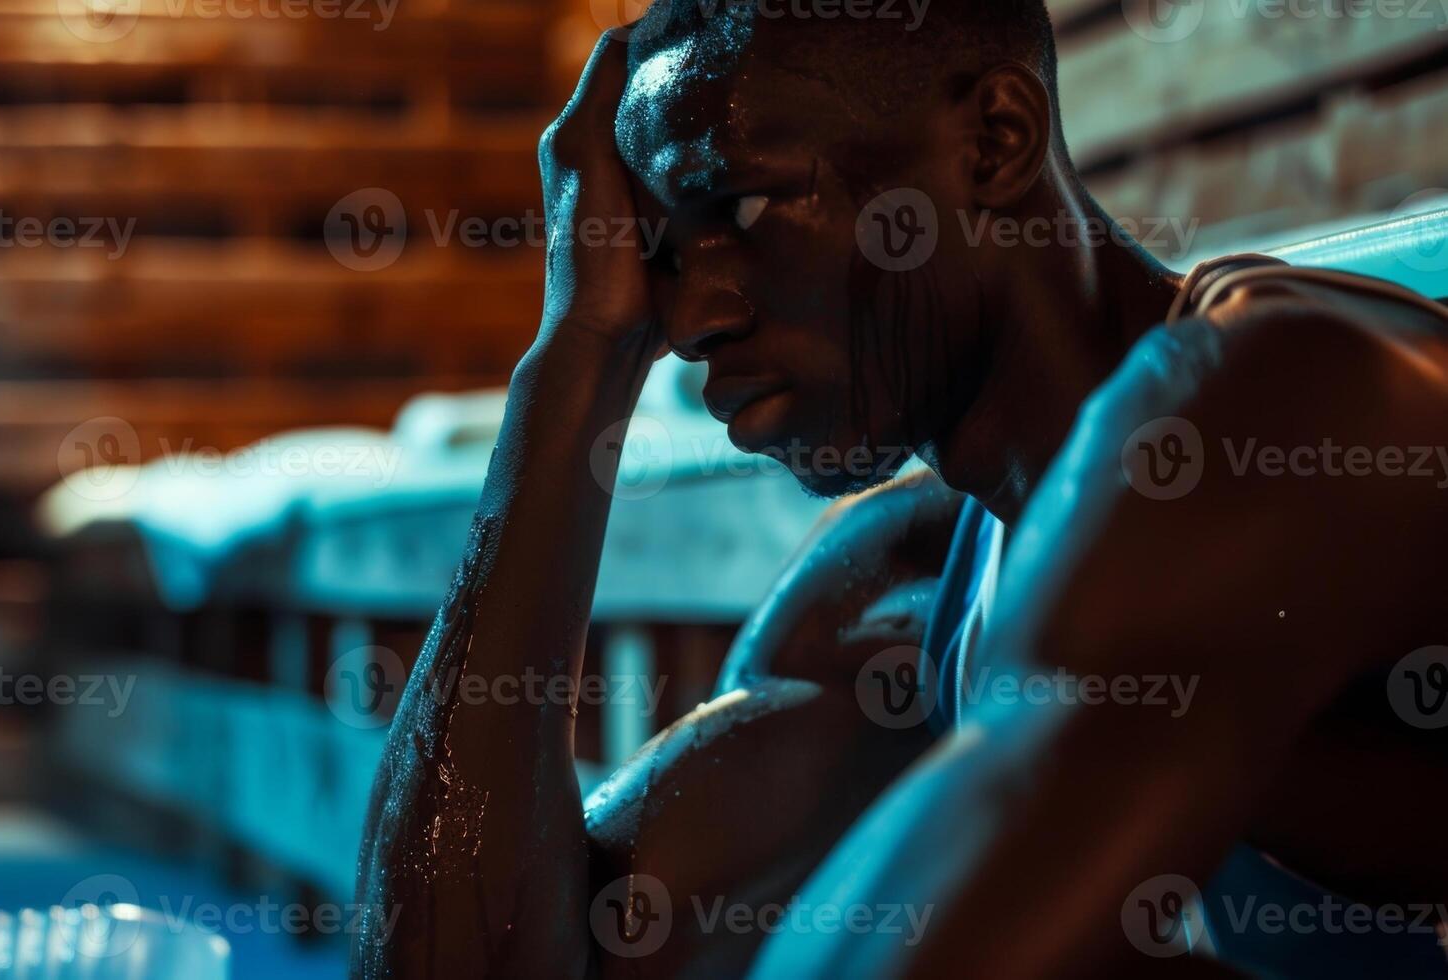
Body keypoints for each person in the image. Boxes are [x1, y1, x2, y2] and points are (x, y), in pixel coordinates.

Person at [352, 2, 1448, 976]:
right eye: (661, 257)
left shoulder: (1274, 409)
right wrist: (575, 364)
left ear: (994, 142)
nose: (686, 323)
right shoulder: (897, 592)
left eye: (737, 207)